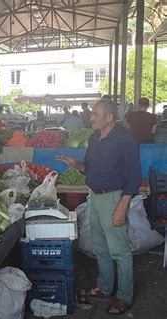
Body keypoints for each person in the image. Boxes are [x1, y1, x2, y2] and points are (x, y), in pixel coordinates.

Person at [57, 98, 141, 315]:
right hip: (94, 197)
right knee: (101, 247)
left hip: (114, 199)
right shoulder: (94, 138)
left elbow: (134, 177)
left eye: (95, 114)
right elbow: (89, 168)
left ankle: (124, 296)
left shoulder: (125, 140)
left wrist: (122, 207)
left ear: (109, 117)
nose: (90, 117)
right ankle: (105, 288)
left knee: (120, 251)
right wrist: (76, 165)